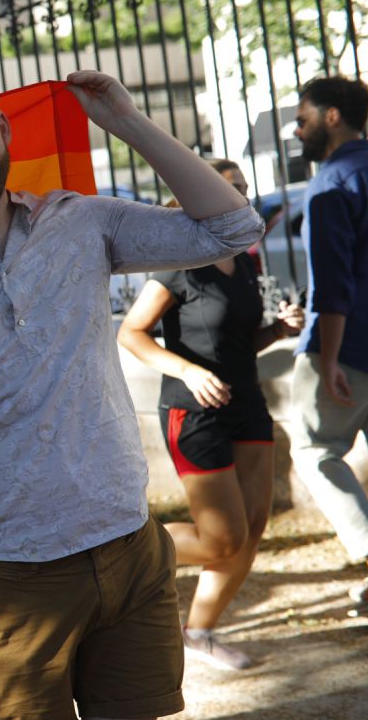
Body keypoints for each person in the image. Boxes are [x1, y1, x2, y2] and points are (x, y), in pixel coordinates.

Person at [0, 57, 264, 720]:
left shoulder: (85, 223)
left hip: (127, 548)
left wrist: (128, 123)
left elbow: (232, 227)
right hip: (9, 574)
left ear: (2, 127)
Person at [117, 158, 305, 670]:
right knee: (223, 537)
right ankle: (118, 552)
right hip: (193, 410)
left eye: (245, 188)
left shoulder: (245, 260)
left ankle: (197, 632)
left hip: (247, 404)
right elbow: (130, 333)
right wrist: (188, 372)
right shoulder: (180, 262)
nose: (242, 197)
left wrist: (280, 332)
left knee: (254, 524)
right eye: (230, 189)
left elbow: (242, 340)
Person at [288, 75, 368, 614]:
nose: (298, 131)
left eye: (302, 119)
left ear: (332, 116)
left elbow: (332, 285)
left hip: (352, 346)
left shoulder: (331, 186)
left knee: (315, 450)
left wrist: (330, 355)